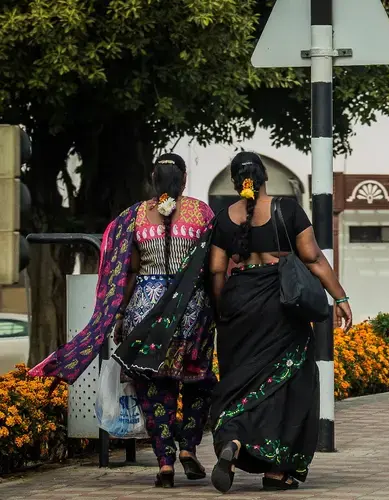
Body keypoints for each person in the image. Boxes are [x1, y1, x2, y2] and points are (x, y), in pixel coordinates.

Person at [31, 153, 216, 488]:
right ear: (184, 179)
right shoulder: (202, 213)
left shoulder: (134, 217)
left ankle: (164, 462)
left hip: (144, 312)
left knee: (153, 387)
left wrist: (116, 315)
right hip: (191, 312)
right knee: (197, 381)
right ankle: (188, 447)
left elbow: (126, 272)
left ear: (153, 179)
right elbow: (214, 264)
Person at [207, 152, 353, 493]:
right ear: (264, 178)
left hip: (239, 302)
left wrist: (222, 311)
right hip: (282, 304)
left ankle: (235, 440)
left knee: (240, 381)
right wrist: (340, 297)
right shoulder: (287, 209)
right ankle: (276, 470)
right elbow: (313, 257)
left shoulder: (224, 218)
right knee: (291, 383)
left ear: (234, 181)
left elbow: (216, 270)